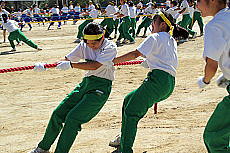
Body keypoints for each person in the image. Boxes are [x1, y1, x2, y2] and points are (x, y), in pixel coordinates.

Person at [29, 22, 117, 153]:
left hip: (101, 88)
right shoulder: (84, 45)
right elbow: (66, 59)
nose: (91, 46)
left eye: (94, 43)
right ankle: (43, 148)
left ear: (102, 37)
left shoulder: (110, 47)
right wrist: (47, 65)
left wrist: (71, 65)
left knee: (73, 119)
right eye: (88, 42)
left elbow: (95, 65)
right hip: (86, 83)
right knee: (57, 114)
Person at [109, 11, 188, 153]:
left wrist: (112, 61)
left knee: (131, 112)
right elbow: (165, 60)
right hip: (169, 83)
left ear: (162, 24)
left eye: (153, 22)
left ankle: (126, 149)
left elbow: (134, 54)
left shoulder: (155, 37)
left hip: (158, 81)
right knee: (128, 100)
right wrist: (150, 62)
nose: (151, 25)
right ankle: (125, 138)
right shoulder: (171, 40)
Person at [196, 0, 230, 152]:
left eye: (199, 1)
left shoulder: (215, 25)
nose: (196, 5)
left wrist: (205, 81)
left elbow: (211, 66)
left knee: (214, 137)